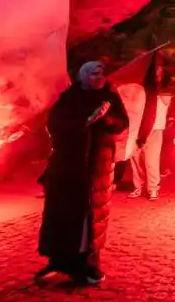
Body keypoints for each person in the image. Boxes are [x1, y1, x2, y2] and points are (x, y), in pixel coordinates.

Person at [37, 61, 129, 285]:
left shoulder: (110, 98)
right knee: (62, 213)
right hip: (67, 164)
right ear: (83, 75)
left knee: (90, 217)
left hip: (96, 166)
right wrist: (83, 123)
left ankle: (87, 266)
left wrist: (105, 119)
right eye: (93, 73)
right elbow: (55, 123)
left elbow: (121, 123)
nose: (98, 77)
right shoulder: (69, 97)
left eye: (101, 74)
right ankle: (58, 261)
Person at [128, 60, 169, 201]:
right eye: (155, 71)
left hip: (155, 127)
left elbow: (166, 101)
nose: (157, 74)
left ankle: (153, 188)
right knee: (135, 159)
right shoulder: (140, 87)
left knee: (152, 159)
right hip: (138, 127)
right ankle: (138, 186)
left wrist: (158, 87)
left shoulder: (166, 88)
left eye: (159, 71)